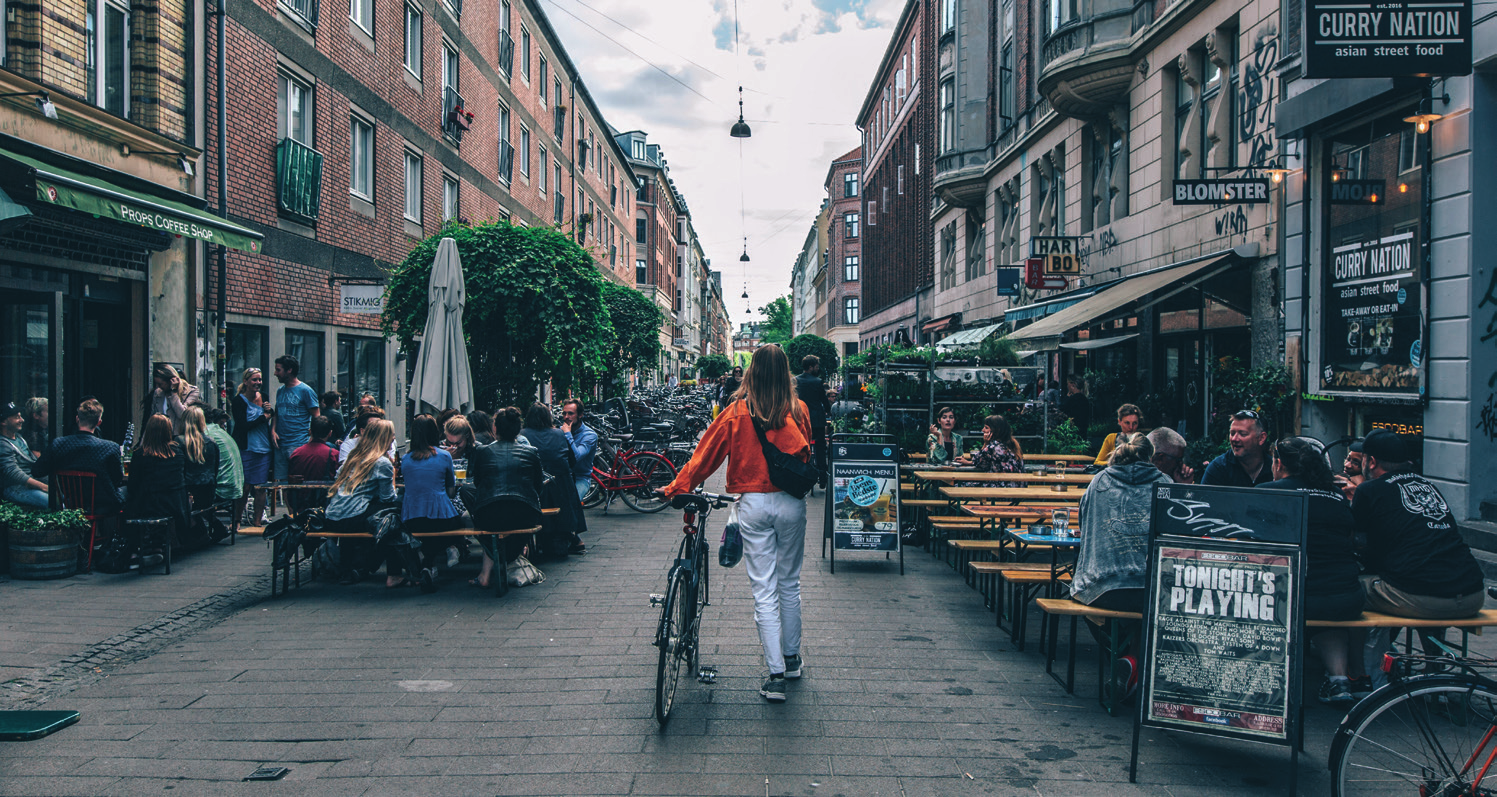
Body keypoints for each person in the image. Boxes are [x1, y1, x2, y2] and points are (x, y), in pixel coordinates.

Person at [661, 344, 813, 704]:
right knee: (789, 583)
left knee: (764, 589)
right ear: (785, 372)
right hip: (792, 501)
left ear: (751, 372)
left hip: (753, 503)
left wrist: (675, 487)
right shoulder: (799, 409)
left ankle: (775, 676)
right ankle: (791, 661)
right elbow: (809, 452)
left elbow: (704, 458)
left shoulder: (736, 412)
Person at [1262, 437, 1368, 704]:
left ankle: (1263, 681)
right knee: (1323, 599)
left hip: (1300, 598)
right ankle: (1339, 681)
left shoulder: (1269, 492)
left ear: (1278, 463)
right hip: (1347, 597)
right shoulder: (1336, 494)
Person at [1070, 432, 1171, 699]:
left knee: (1082, 594)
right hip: (1153, 589)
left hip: (1104, 587)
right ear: (1151, 458)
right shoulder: (1166, 483)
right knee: (1148, 603)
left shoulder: (1099, 481)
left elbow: (1083, 524)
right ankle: (1133, 659)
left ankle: (1119, 656)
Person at [465, 407, 545, 589]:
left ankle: (494, 555)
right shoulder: (531, 453)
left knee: (467, 494)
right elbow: (538, 487)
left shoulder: (483, 452)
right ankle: (513, 554)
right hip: (524, 514)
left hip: (489, 514)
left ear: (495, 429)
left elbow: (478, 483)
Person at [322, 418, 398, 584]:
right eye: (391, 435)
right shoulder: (382, 463)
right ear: (383, 438)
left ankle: (348, 569)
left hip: (333, 516)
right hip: (352, 518)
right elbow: (388, 498)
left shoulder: (352, 458)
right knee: (392, 518)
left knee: (362, 512)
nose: (393, 438)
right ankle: (388, 570)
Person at [396, 415, 464, 588]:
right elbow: (450, 491)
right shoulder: (444, 456)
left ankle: (427, 563)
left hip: (412, 516)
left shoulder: (406, 459)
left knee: (427, 531)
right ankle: (431, 561)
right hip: (441, 514)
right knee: (454, 524)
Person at [519, 402, 587, 558]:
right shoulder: (558, 434)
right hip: (561, 485)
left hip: (535, 486)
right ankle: (570, 537)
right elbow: (571, 460)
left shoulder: (523, 435)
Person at [33, 399, 124, 514]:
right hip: (102, 504)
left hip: (71, 503)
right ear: (99, 422)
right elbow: (117, 479)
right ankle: (111, 532)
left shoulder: (58, 444)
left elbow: (37, 471)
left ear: (77, 419)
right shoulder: (110, 447)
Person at [125, 414, 189, 551]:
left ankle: (132, 546)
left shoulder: (140, 454)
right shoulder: (177, 452)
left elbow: (132, 485)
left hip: (147, 505)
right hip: (174, 505)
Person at [231, 368, 273, 526]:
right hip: (246, 448)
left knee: (261, 487)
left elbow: (270, 414)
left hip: (264, 448)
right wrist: (263, 418)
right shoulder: (238, 401)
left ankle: (257, 522)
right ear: (246, 381)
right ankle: (236, 520)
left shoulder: (265, 397)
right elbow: (242, 426)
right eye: (254, 380)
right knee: (245, 486)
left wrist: (269, 413)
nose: (258, 383)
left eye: (260, 380)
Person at [179, 406, 223, 547]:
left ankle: (199, 534)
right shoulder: (211, 442)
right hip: (208, 489)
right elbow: (215, 468)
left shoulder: (179, 442)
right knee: (202, 506)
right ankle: (210, 529)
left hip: (188, 489)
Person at [272, 355, 320, 481]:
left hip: (298, 443)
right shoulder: (280, 391)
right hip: (280, 443)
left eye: (278, 370)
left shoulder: (305, 391)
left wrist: (312, 439)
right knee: (283, 482)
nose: (275, 373)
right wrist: (273, 430)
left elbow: (316, 416)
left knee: (298, 480)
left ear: (289, 370)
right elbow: (277, 412)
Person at [1201, 409, 1275, 487]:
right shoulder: (1218, 469)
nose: (1234, 439)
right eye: (1232, 433)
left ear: (1261, 438)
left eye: (1242, 434)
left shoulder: (1275, 469)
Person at [287, 416, 340, 514]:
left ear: (310, 431)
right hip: (325, 506)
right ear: (330, 433)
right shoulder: (334, 454)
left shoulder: (296, 453)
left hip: (301, 505)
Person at [0, 401, 48, 508]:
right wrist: (44, 487)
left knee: (65, 496)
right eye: (17, 417)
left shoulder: (19, 438)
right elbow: (14, 474)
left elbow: (32, 461)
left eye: (21, 416)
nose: (22, 420)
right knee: (55, 503)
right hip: (15, 487)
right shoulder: (3, 444)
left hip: (31, 483)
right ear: (4, 422)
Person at [795, 355, 831, 484]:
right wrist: (828, 410)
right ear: (811, 367)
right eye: (816, 366)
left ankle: (803, 473)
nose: (818, 368)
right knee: (820, 447)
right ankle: (822, 475)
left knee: (803, 445)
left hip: (800, 418)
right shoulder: (817, 381)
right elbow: (823, 400)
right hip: (816, 419)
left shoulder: (795, 380)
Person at [203, 407, 244, 519]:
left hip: (224, 489)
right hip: (235, 487)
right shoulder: (218, 432)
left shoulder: (208, 433)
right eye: (222, 424)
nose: (223, 428)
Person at [146, 364, 202, 435]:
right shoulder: (158, 393)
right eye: (156, 384)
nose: (158, 387)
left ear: (171, 381)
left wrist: (174, 393)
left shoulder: (191, 391)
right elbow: (152, 418)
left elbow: (182, 415)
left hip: (180, 437)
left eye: (160, 384)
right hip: (161, 437)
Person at [968, 415, 1024, 486]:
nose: (983, 430)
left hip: (1001, 489)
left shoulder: (993, 447)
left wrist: (986, 443)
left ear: (994, 431)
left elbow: (976, 462)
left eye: (986, 428)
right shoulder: (1013, 445)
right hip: (1018, 487)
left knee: (961, 486)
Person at [560, 399, 598, 501]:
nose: (566, 417)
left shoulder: (589, 435)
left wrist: (567, 434)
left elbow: (576, 456)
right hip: (562, 476)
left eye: (571, 413)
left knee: (573, 501)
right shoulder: (560, 431)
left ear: (580, 415)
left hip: (580, 477)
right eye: (564, 413)